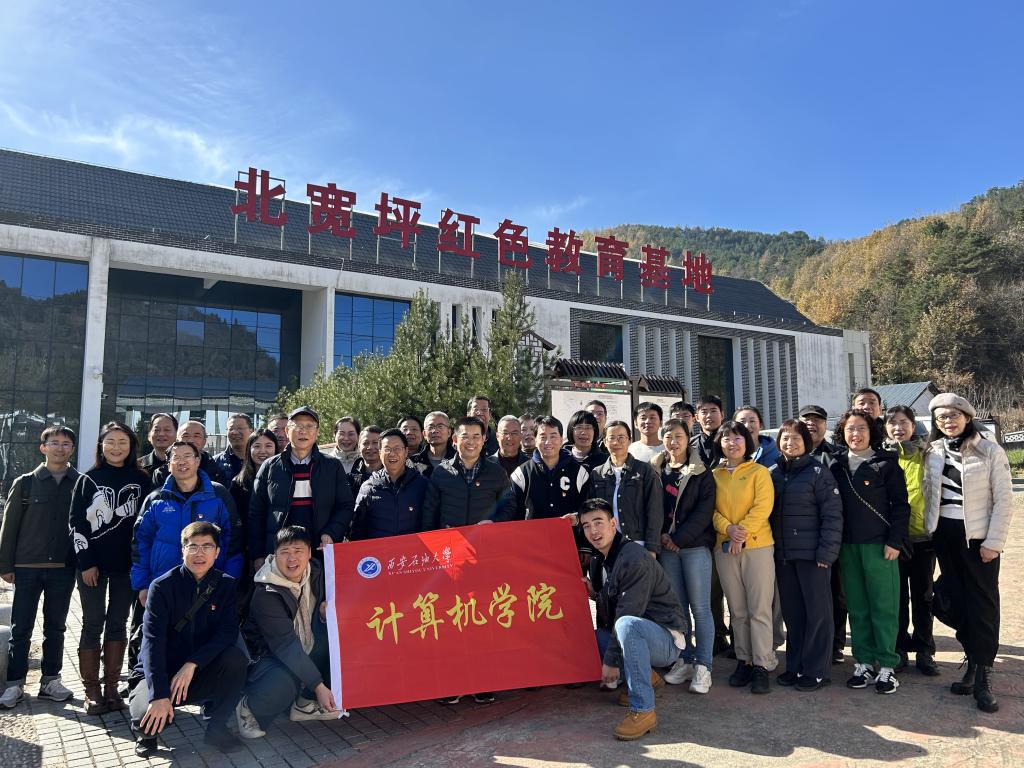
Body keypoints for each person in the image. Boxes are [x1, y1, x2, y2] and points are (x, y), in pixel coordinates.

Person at [924, 393, 1014, 713]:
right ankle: (973, 657)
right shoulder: (933, 451)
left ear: (966, 417)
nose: (947, 422)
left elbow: (1004, 499)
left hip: (977, 540)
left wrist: (994, 542)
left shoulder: (989, 450)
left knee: (982, 605)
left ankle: (982, 675)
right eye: (941, 418)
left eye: (953, 416)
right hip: (944, 537)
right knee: (950, 599)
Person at [129, 521, 246, 756]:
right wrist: (159, 694)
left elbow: (227, 633)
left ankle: (217, 729)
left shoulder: (225, 585)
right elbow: (152, 643)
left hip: (197, 670)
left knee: (236, 659)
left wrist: (193, 663)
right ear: (182, 550)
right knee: (146, 718)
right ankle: (147, 736)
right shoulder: (161, 587)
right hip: (161, 671)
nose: (199, 553)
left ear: (217, 552)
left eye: (207, 546)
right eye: (193, 547)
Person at [421, 416, 512, 705]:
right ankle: (454, 681)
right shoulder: (441, 473)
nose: (470, 441)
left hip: (485, 560)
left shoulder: (496, 472)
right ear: (454, 439)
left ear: (484, 440)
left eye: (476, 436)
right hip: (450, 560)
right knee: (451, 621)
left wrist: (493, 524)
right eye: (465, 436)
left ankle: (483, 681)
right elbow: (429, 516)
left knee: (482, 620)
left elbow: (510, 508)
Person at [582, 499, 687, 741]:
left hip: (666, 639)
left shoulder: (633, 558)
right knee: (592, 637)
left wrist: (611, 662)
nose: (593, 531)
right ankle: (648, 677)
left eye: (598, 522)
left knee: (626, 625)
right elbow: (615, 603)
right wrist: (595, 594)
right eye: (586, 526)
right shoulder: (603, 558)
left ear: (613, 523)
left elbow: (629, 612)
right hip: (641, 633)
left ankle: (643, 710)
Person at [69, 422, 151, 714]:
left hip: (126, 567)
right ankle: (91, 690)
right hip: (92, 566)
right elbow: (76, 523)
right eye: (111, 442)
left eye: (122, 442)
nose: (116, 447)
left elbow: (146, 522)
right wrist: (86, 562)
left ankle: (112, 687)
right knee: (93, 622)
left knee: (118, 623)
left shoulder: (142, 479)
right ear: (101, 446)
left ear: (131, 446)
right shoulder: (88, 479)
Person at [828, 409, 909, 694]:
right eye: (850, 428)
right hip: (848, 547)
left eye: (861, 428)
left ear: (871, 431)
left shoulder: (886, 464)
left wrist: (895, 541)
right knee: (858, 608)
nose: (856, 434)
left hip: (880, 546)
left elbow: (901, 506)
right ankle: (863, 662)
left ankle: (887, 665)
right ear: (842, 433)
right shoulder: (836, 465)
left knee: (884, 607)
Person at [0, 426, 81, 709]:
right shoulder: (25, 483)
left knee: (55, 627)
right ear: (43, 447)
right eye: (54, 443)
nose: (60, 448)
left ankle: (50, 680)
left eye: (66, 443)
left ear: (72, 449)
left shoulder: (80, 483)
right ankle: (14, 684)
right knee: (21, 627)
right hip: (26, 566)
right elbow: (9, 526)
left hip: (63, 567)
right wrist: (5, 564)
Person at [238, 526, 338, 737]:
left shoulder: (317, 572)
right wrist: (319, 686)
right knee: (285, 682)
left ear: (309, 553)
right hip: (266, 658)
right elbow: (285, 646)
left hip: (303, 645)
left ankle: (304, 704)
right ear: (275, 555)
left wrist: (322, 617)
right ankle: (249, 707)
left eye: (298, 551)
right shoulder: (266, 592)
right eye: (285, 552)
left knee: (337, 647)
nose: (292, 558)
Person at [769, 419, 843, 691]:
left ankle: (817, 670)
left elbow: (833, 515)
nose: (790, 443)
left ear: (806, 442)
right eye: (785, 438)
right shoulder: (773, 473)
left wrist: (827, 552)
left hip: (814, 556)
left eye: (796, 438)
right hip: (784, 556)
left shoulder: (818, 472)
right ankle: (795, 666)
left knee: (818, 614)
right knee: (793, 614)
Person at [651, 419, 716, 694]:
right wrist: (662, 537)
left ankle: (704, 665)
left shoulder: (701, 472)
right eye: (668, 436)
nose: (673, 441)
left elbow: (704, 513)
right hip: (667, 550)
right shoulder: (655, 470)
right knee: (678, 608)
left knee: (700, 608)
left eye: (679, 436)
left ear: (688, 438)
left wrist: (677, 539)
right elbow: (650, 507)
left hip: (694, 547)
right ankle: (686, 659)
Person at [712, 421, 776, 693]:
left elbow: (763, 507)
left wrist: (741, 534)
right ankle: (744, 660)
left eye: (737, 438)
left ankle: (762, 663)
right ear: (720, 443)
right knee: (737, 610)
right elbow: (710, 509)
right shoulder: (713, 475)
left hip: (757, 546)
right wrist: (728, 529)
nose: (732, 443)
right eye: (726, 438)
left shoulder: (759, 472)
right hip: (724, 547)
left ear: (746, 442)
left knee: (759, 609)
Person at [132, 440, 240, 601]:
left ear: (197, 461)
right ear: (169, 465)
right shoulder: (156, 499)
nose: (182, 462)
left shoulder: (218, 495)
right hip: (163, 583)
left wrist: (228, 582)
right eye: (176, 457)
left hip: (209, 585)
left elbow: (233, 542)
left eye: (187, 456)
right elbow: (141, 544)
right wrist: (143, 585)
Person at [248, 407, 355, 568]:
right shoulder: (270, 467)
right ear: (287, 430)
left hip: (319, 549)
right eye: (298, 426)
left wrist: (331, 533)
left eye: (309, 426)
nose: (303, 431)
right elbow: (256, 513)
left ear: (317, 432)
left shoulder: (332, 466)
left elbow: (345, 506)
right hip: (279, 551)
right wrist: (258, 555)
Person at [884, 405, 938, 677]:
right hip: (894, 539)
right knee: (897, 598)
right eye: (892, 423)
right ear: (885, 427)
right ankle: (899, 649)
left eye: (903, 422)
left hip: (923, 538)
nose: (898, 428)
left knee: (923, 596)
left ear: (913, 425)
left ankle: (925, 650)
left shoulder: (928, 454)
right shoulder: (882, 457)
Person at [799, 404, 845, 663]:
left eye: (817, 420)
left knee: (835, 592)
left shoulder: (836, 455)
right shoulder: (791, 454)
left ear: (826, 425)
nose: (811, 424)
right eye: (806, 420)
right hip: (801, 537)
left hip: (830, 533)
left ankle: (835, 644)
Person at [690, 395, 729, 656]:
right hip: (702, 527)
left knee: (735, 588)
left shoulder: (731, 440)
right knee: (710, 587)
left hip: (730, 521)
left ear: (722, 414)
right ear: (696, 417)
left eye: (713, 410)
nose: (708, 416)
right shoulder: (692, 445)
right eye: (703, 411)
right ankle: (716, 637)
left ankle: (740, 638)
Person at [588, 421, 662, 555]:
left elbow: (654, 510)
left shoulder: (644, 470)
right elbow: (591, 512)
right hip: (606, 544)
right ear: (605, 441)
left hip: (638, 542)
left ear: (629, 440)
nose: (616, 442)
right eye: (611, 438)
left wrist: (652, 547)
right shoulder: (597, 473)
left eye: (621, 437)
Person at [230, 430, 280, 607]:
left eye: (268, 446)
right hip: (247, 550)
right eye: (257, 446)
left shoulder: (285, 479)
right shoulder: (238, 483)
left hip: (278, 546)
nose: (263, 451)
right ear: (249, 450)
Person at [350, 429, 430, 540]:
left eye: (397, 448)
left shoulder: (422, 484)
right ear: (380, 453)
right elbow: (357, 529)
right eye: (387, 449)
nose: (392, 454)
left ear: (406, 451)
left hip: (413, 549)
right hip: (378, 550)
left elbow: (429, 524)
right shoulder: (369, 487)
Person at [509, 416, 590, 521]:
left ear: (561, 440)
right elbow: (514, 514)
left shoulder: (579, 473)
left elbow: (587, 510)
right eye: (543, 437)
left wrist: (576, 518)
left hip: (568, 531)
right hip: (533, 531)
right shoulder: (521, 474)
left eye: (553, 436)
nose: (548, 442)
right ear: (535, 440)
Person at [151, 421, 228, 488]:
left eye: (197, 436)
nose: (191, 440)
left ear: (204, 440)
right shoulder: (161, 473)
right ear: (177, 440)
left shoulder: (217, 470)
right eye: (185, 436)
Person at [411, 412, 455, 477]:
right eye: (431, 427)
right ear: (424, 434)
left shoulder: (459, 459)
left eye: (440, 426)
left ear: (449, 432)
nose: (435, 430)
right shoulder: (413, 461)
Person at [214, 413, 253, 483]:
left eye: (240, 428)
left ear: (251, 431)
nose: (234, 432)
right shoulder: (215, 462)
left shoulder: (260, 459)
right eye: (231, 429)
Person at [347, 426, 384, 497]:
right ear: (359, 447)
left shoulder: (394, 476)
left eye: (375, 442)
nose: (370, 447)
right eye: (365, 443)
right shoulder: (350, 479)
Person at [139, 413, 178, 478]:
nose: (161, 434)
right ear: (149, 436)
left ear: (177, 435)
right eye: (156, 430)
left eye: (167, 430)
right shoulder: (137, 466)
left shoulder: (185, 465)